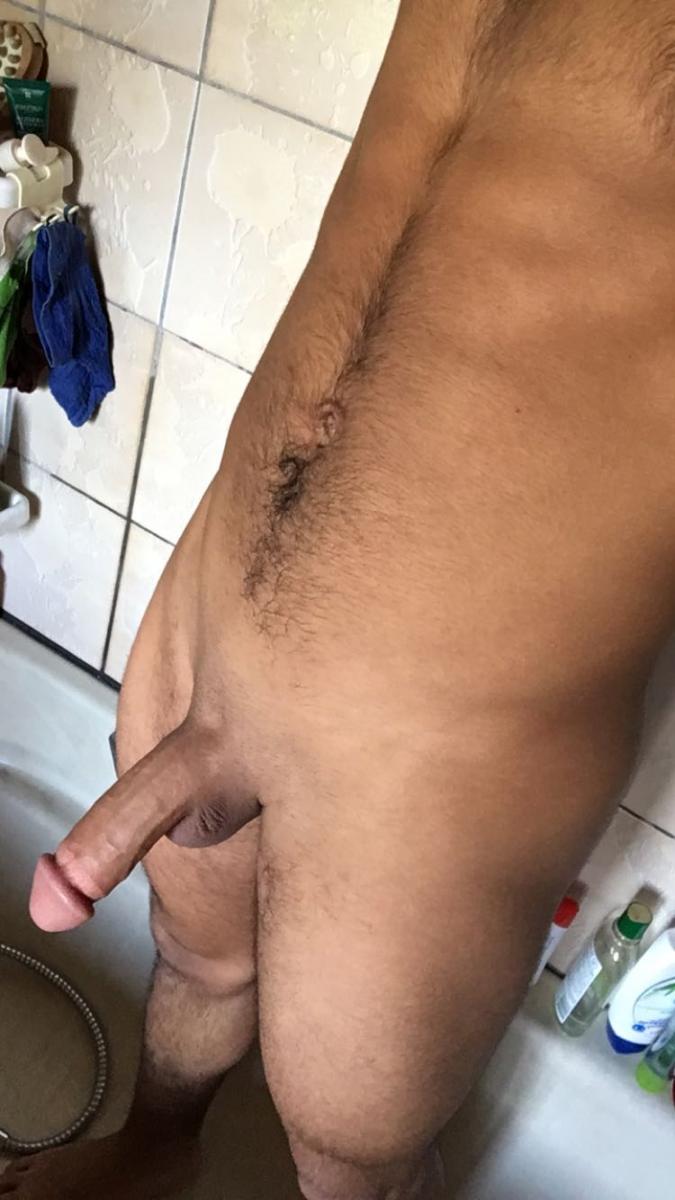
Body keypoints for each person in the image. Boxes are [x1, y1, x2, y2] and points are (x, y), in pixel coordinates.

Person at [6, 2, 675, 1197]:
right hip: (221, 592)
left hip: (446, 724)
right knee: (192, 959)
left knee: (347, 1149)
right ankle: (157, 1154)